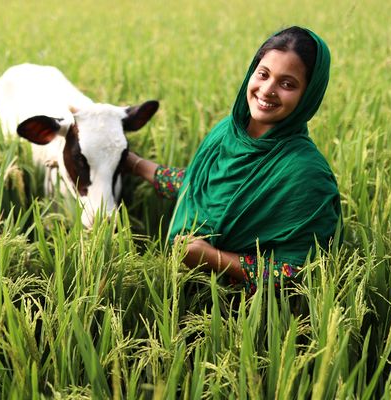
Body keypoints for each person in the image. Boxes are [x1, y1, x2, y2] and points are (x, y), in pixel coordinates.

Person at [126, 26, 341, 294]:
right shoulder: (226, 133)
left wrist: (214, 260)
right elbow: (199, 188)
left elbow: (297, 271)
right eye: (263, 74)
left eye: (288, 84)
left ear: (309, 95)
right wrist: (134, 164)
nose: (268, 89)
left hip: (241, 318)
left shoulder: (305, 173)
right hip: (175, 295)